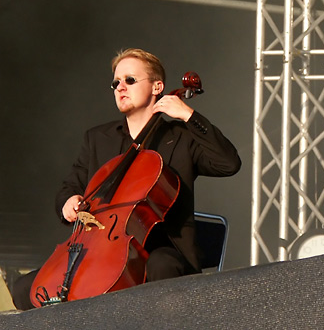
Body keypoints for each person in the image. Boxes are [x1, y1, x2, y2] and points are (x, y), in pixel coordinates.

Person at [11, 48, 242, 310]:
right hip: (98, 249)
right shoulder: (98, 138)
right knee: (24, 290)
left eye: (130, 80)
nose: (120, 87)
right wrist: (68, 203)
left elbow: (229, 163)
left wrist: (189, 115)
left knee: (161, 267)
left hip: (161, 249)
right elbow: (70, 187)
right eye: (116, 82)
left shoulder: (181, 137)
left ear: (158, 87)